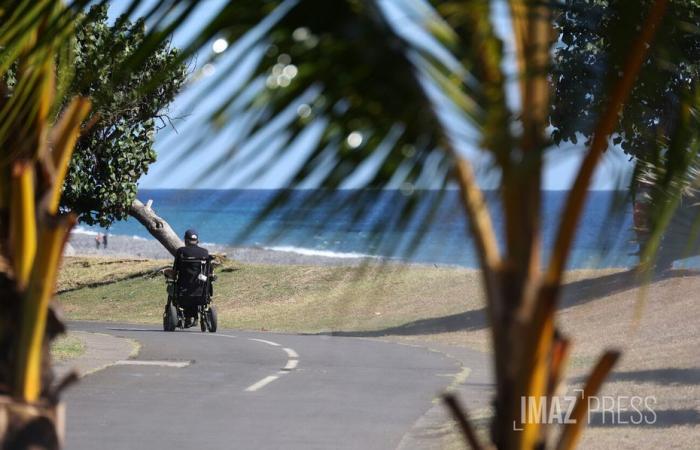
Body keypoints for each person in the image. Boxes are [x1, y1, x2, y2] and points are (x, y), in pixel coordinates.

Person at [173, 229, 210, 327]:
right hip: (201, 291)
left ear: (185, 240)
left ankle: (187, 317)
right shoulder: (205, 252)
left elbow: (175, 270)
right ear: (197, 240)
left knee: (177, 291)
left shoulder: (181, 251)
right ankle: (195, 317)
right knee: (194, 294)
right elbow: (208, 271)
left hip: (184, 290)